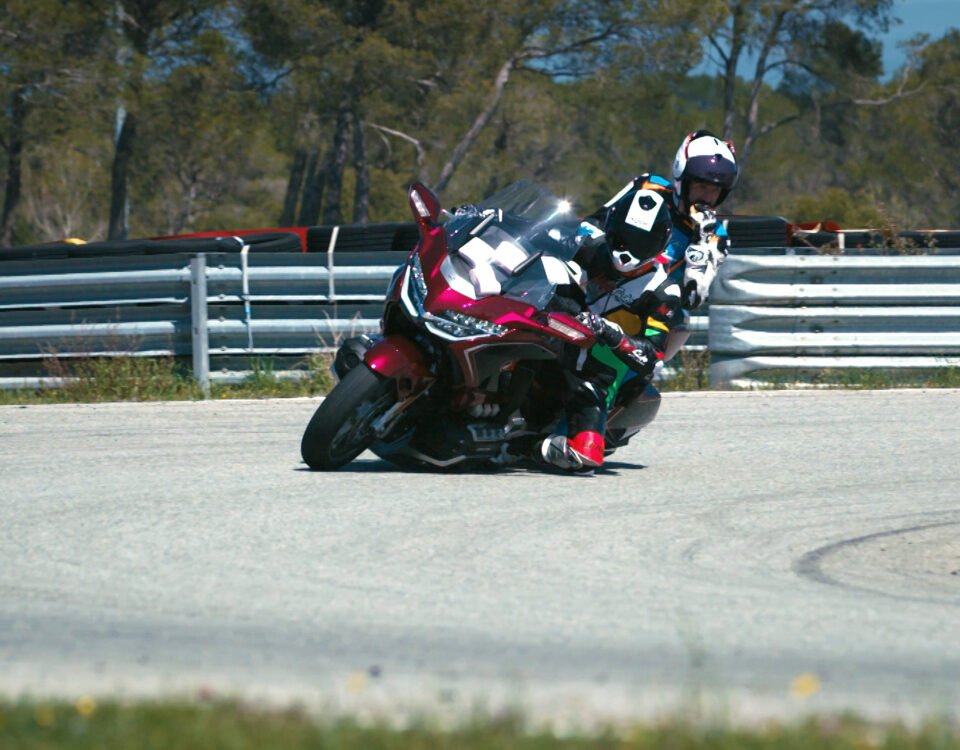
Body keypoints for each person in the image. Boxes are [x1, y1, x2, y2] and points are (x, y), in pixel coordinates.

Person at [539, 129, 740, 474]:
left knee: (665, 334)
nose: (706, 195)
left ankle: (586, 420)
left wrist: (701, 244)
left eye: (714, 190)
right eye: (701, 186)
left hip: (650, 308)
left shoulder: (716, 236)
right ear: (681, 178)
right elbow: (595, 222)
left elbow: (693, 297)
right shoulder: (647, 189)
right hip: (605, 278)